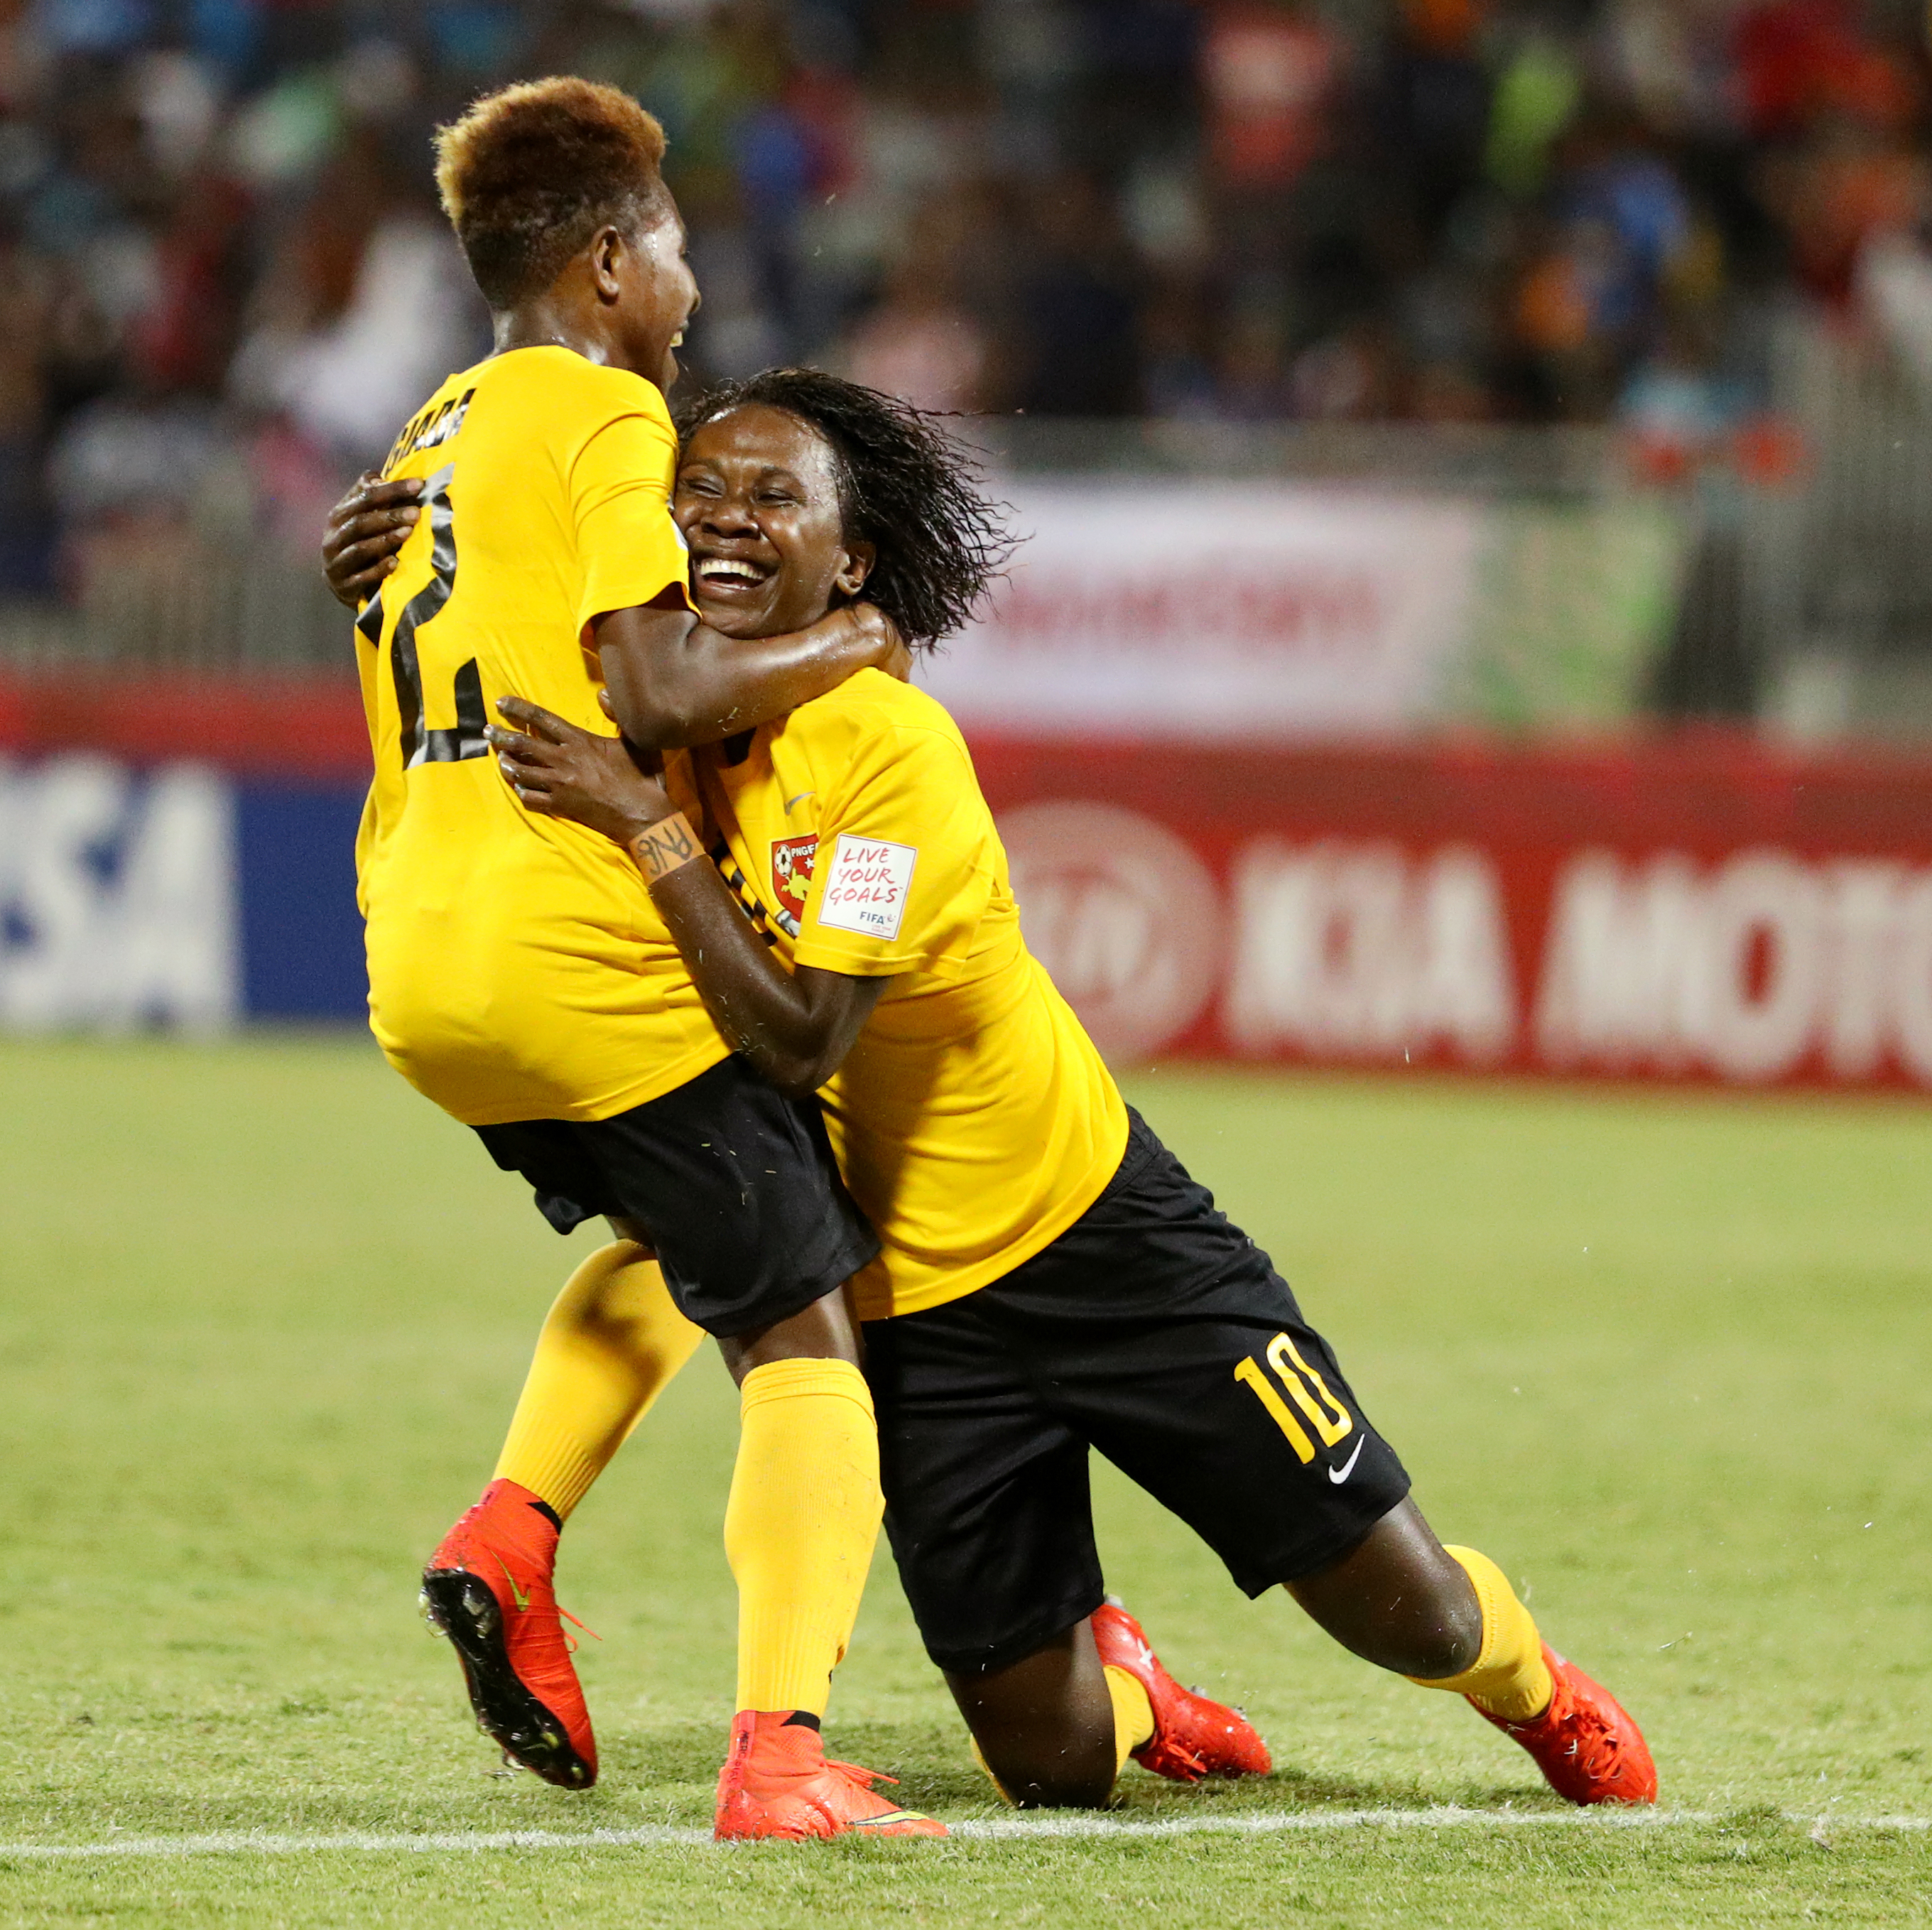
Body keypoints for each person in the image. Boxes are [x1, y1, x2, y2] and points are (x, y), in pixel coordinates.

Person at [474, 368, 1657, 1809]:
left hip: (1102, 1239)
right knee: (1054, 1772)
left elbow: (801, 1042)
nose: (724, 521)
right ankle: (1133, 1680)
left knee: (1411, 1620)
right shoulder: (650, 718)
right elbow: (486, 597)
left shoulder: (886, 751)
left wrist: (650, 827)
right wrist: (385, 535)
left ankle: (1535, 1693)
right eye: (698, 495)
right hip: (907, 1320)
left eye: (772, 496)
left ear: (850, 558)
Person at [346, 77, 942, 1843]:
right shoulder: (601, 414)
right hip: (568, 940)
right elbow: (654, 688)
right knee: (802, 1324)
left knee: (686, 1232)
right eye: (671, 246)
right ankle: (779, 1752)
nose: (685, 281)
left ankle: (512, 1537)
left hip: (419, 953)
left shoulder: (427, 432)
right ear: (610, 262)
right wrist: (854, 640)